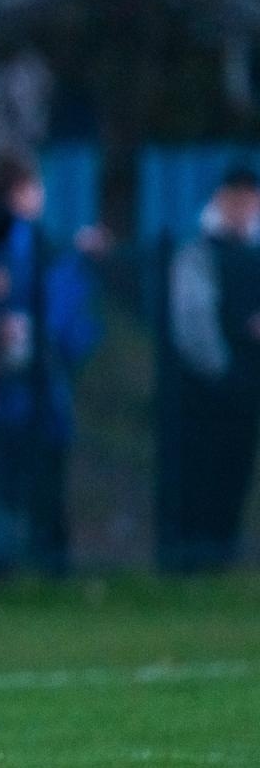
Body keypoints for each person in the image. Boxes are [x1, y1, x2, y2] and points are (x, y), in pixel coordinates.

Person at [0, 150, 101, 576]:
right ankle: (36, 564)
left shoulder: (4, 243)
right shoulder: (29, 244)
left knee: (8, 480)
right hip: (24, 387)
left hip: (20, 386)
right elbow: (65, 317)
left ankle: (8, 564)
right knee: (29, 479)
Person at [161, 165, 260, 570]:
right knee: (201, 476)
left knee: (235, 475)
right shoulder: (198, 252)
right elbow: (192, 323)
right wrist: (223, 371)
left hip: (245, 388)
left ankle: (220, 557)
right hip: (205, 392)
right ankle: (195, 560)